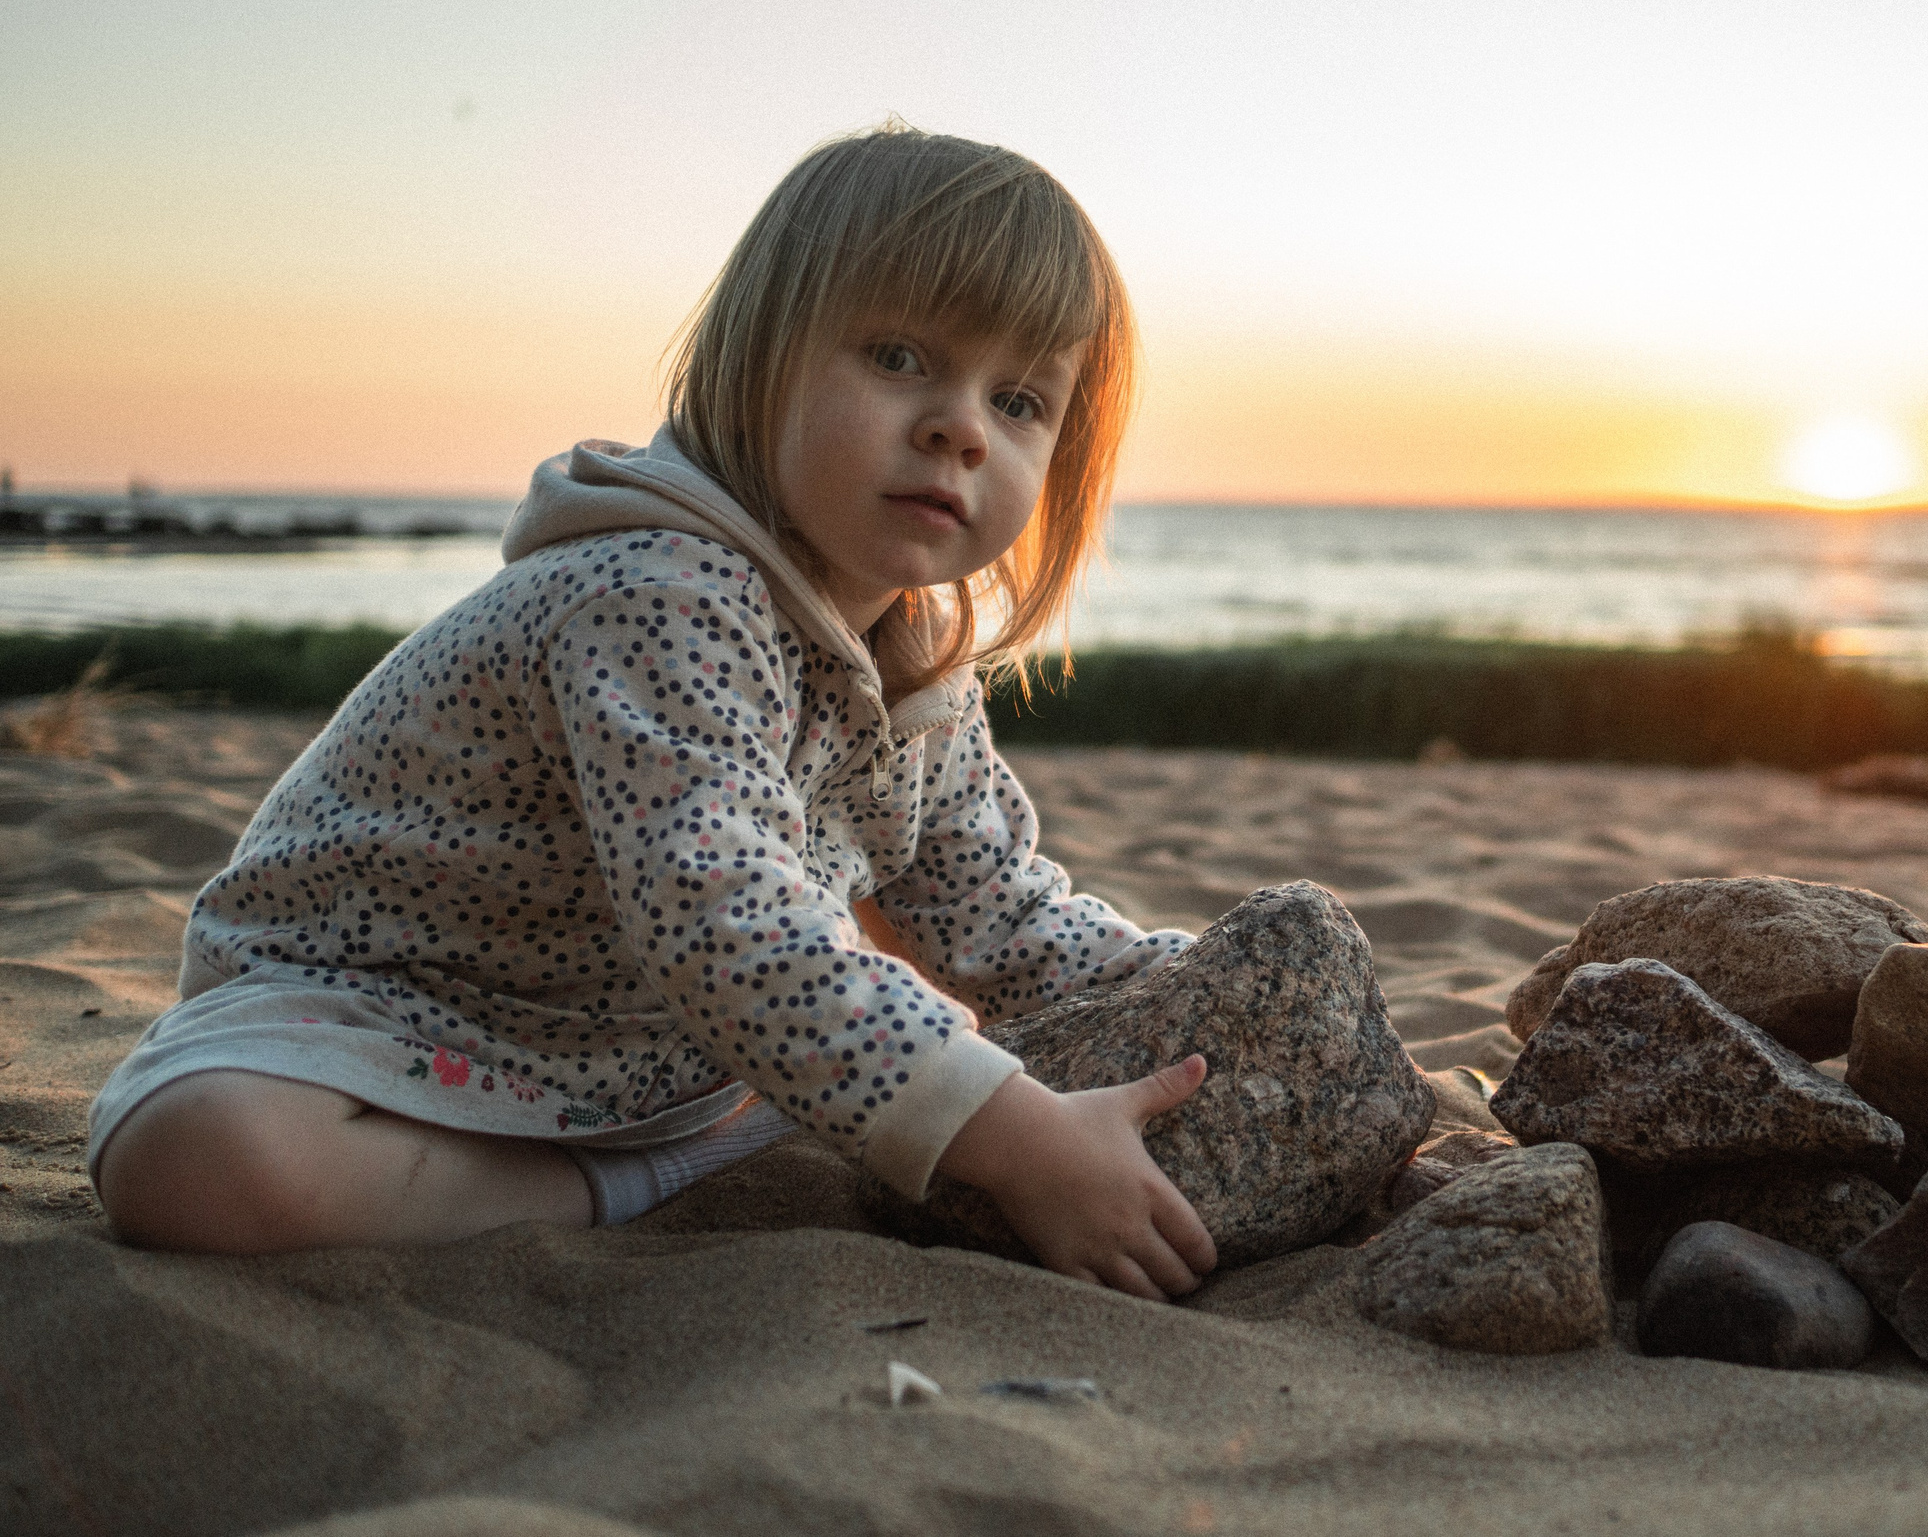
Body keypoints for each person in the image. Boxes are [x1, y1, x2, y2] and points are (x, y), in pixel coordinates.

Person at [89, 125, 1220, 1301]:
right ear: (758, 358)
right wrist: (1018, 1139)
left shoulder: (917, 658)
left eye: (1021, 399)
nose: (959, 425)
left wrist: (1195, 989)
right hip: (378, 1016)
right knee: (198, 1165)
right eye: (897, 355)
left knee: (914, 958)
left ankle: (686, 1141)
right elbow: (721, 916)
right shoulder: (656, 590)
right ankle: (633, 1185)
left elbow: (992, 907)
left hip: (632, 1051)